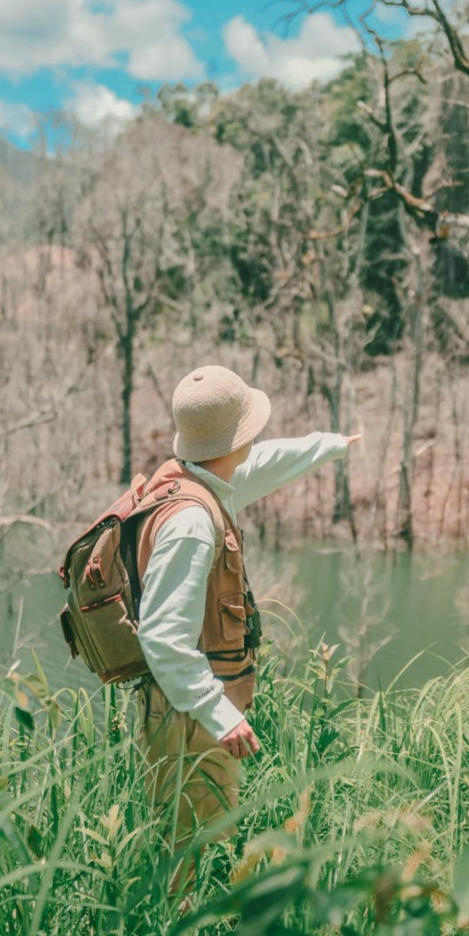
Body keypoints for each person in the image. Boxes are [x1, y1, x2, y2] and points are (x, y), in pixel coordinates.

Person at [134, 364, 360, 875]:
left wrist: (329, 444)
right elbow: (163, 636)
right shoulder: (193, 522)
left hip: (183, 709)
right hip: (188, 720)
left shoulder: (193, 480)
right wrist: (221, 714)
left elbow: (264, 465)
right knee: (196, 851)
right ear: (233, 439)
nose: (255, 439)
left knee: (192, 840)